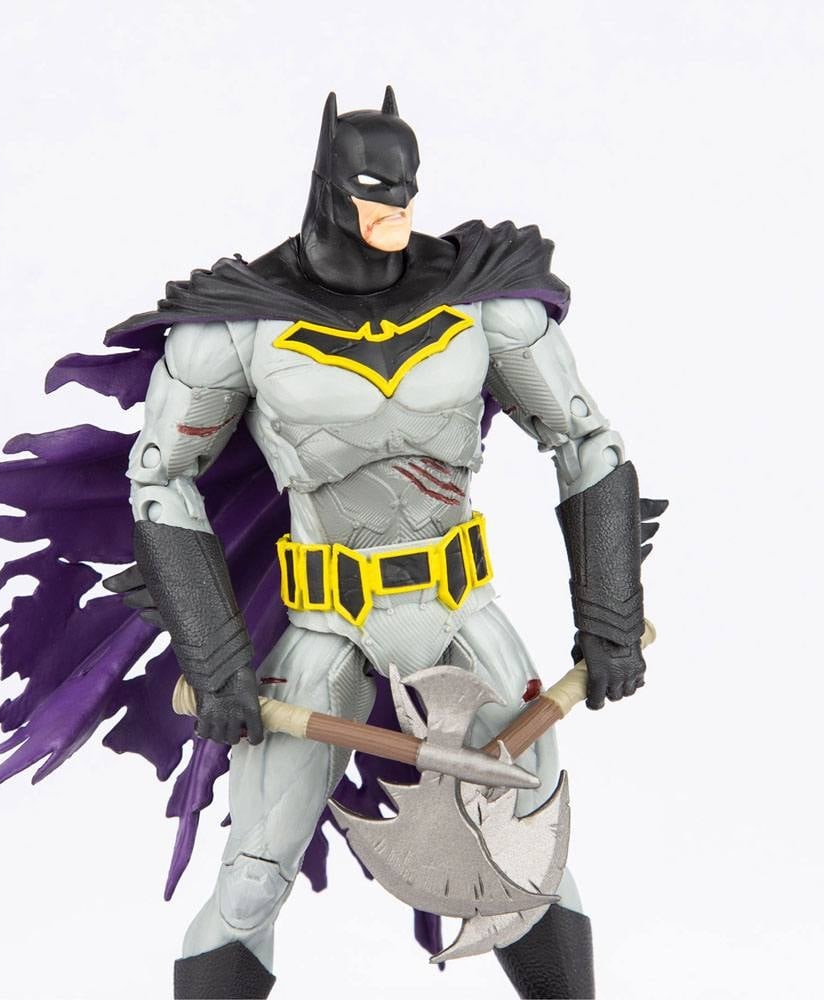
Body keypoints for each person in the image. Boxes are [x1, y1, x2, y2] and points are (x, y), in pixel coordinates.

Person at [110, 87, 657, 999]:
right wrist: (215, 656)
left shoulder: (481, 303)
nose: (396, 208)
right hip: (326, 624)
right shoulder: (241, 325)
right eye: (374, 190)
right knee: (253, 877)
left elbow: (586, 441)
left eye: (406, 189)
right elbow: (162, 478)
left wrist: (610, 615)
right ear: (330, 187)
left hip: (461, 613)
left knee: (530, 851)